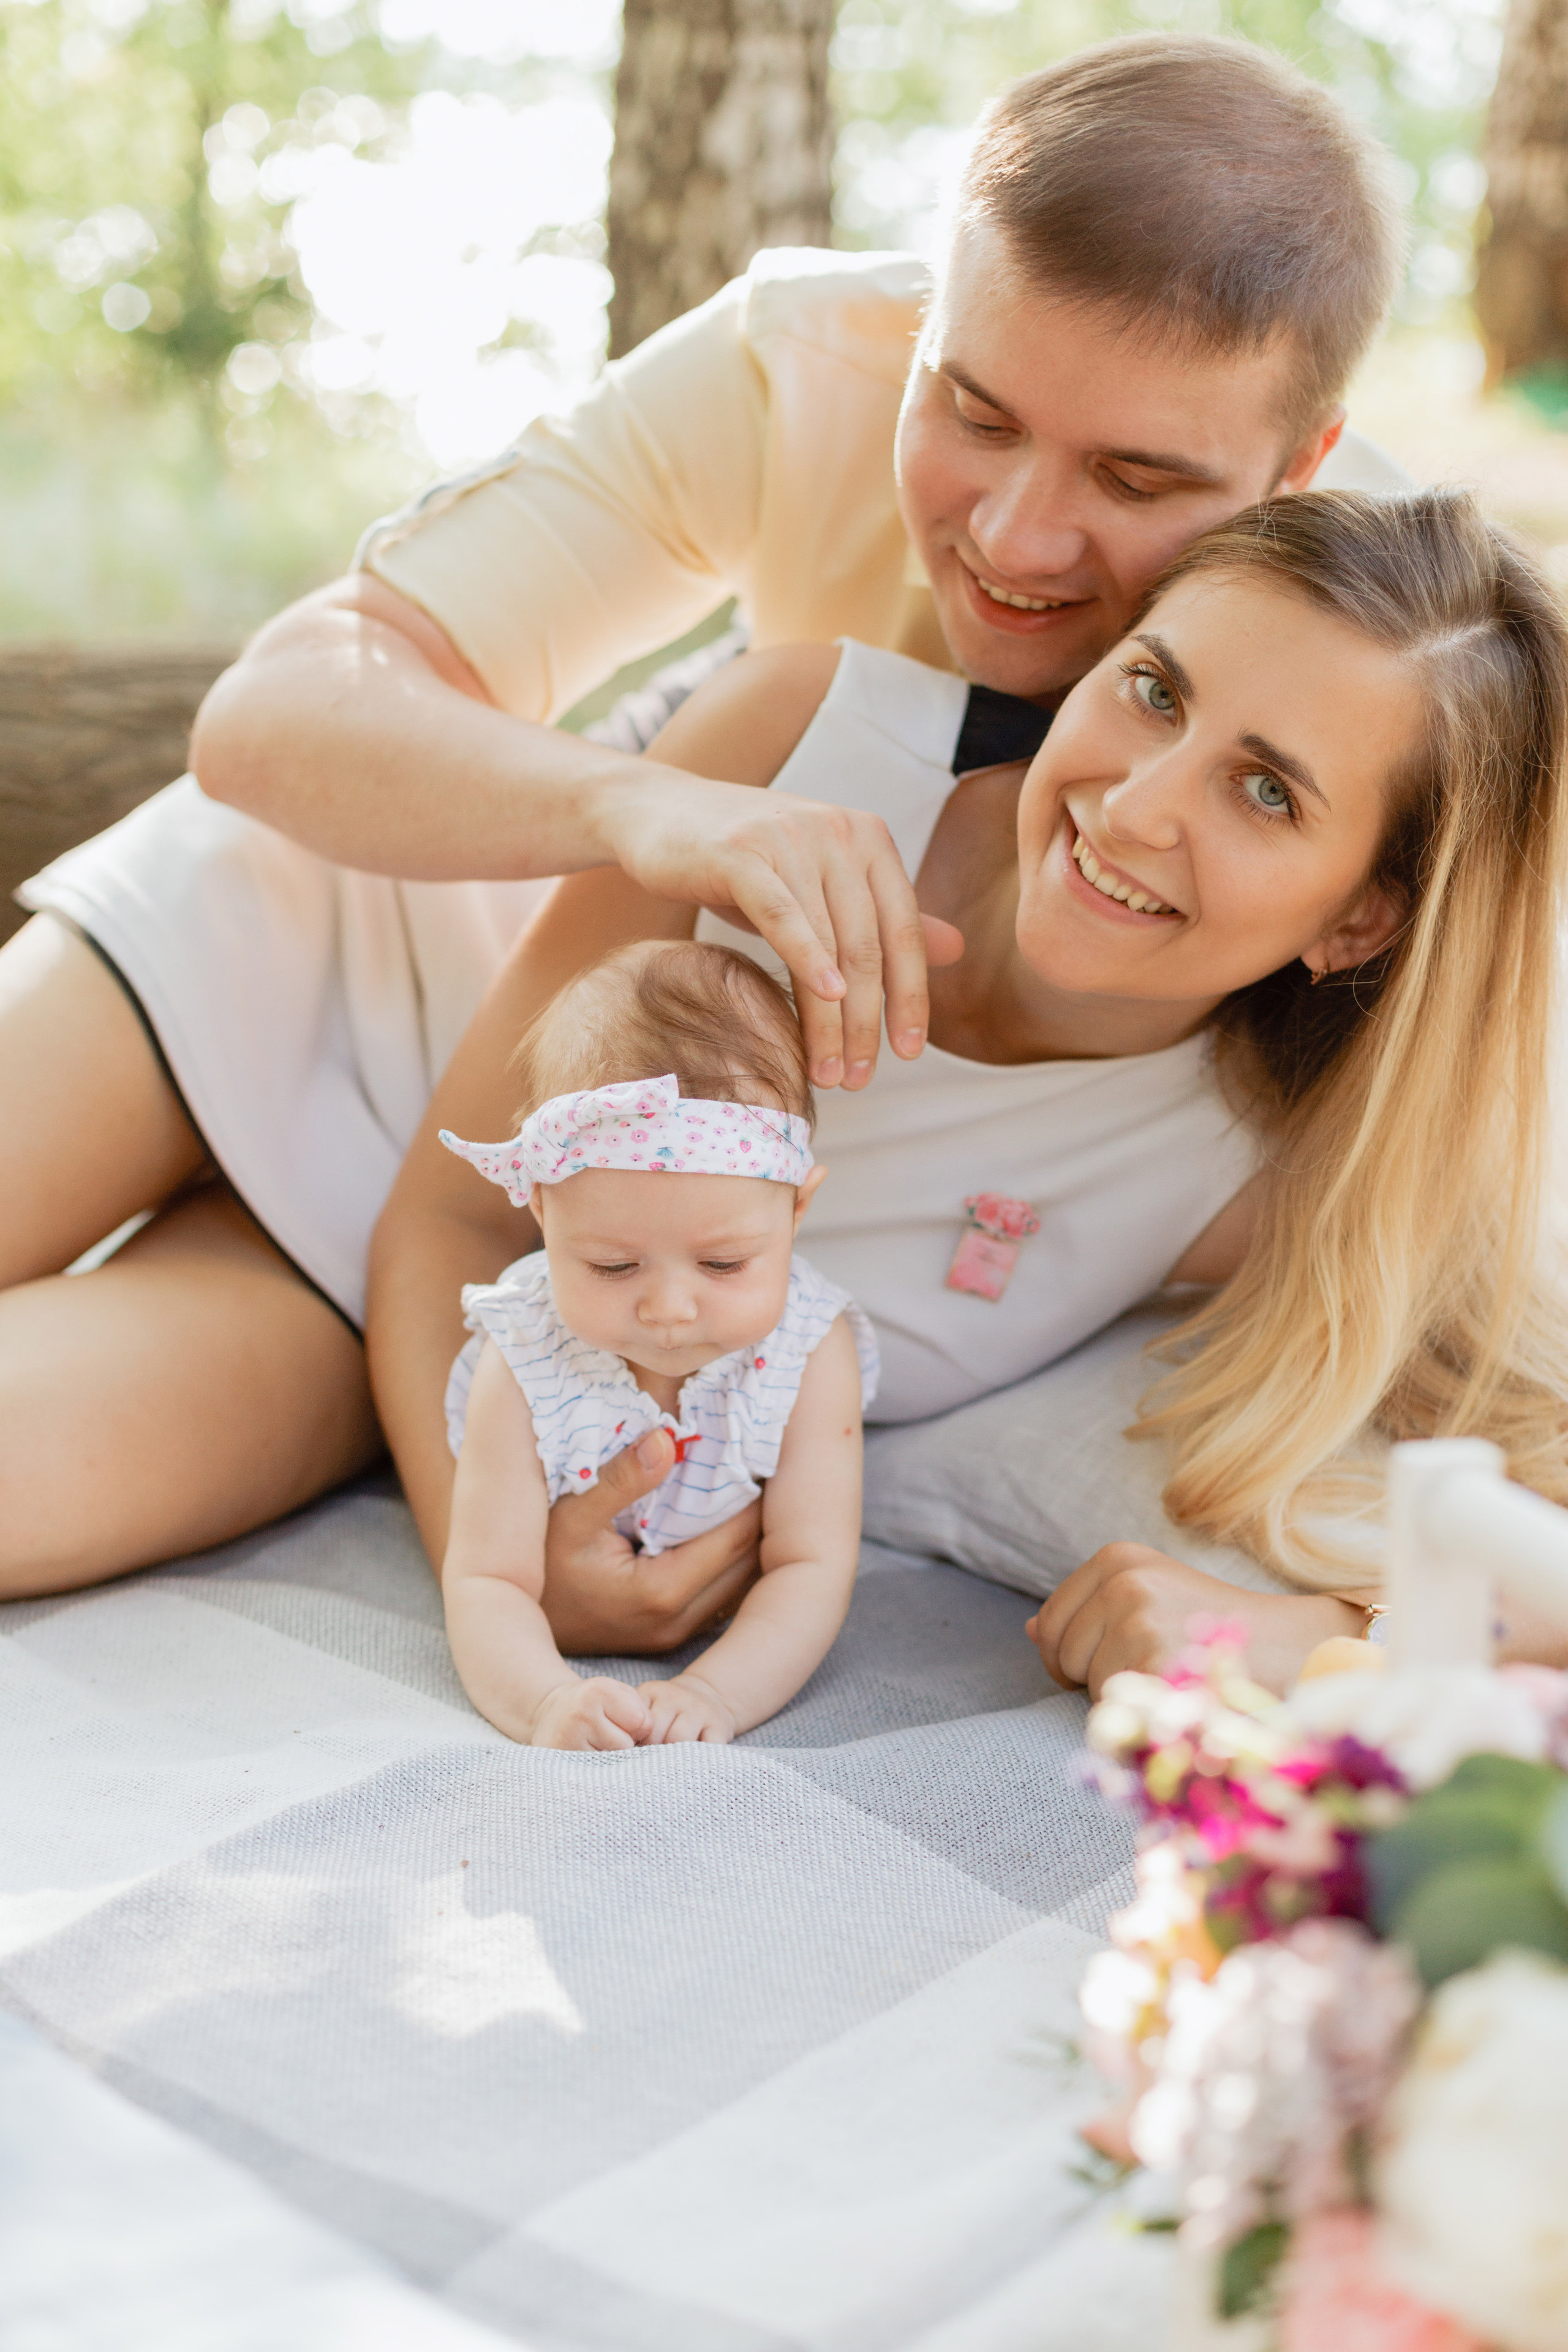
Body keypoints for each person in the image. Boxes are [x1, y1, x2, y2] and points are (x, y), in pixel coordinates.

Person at [0, 32, 1405, 1597]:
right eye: (974, 410)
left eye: (1138, 481)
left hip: (538, 1238)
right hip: (316, 952)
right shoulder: (799, 358)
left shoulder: (1360, 671)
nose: (1016, 533)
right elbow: (278, 712)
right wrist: (648, 809)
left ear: (1302, 468)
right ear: (921, 323)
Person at [373, 488, 1568, 1700]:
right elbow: (455, 1215)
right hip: (348, 969)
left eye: (1265, 793)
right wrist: (504, 1573)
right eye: (1154, 691)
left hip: (348, 1339)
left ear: (1361, 916)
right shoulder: (804, 749)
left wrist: (1315, 1634)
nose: (1135, 807)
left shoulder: (1265, 1166)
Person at [439, 940, 875, 1748]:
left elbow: (811, 1566)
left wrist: (718, 1693)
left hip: (729, 1641)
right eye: (612, 1264)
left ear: (795, 1212)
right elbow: (487, 1575)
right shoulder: (525, 1353)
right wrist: (543, 1703)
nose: (670, 1308)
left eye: (724, 1263)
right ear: (542, 1214)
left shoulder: (811, 1349)